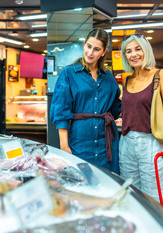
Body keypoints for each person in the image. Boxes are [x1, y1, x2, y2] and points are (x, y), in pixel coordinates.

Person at [119, 33, 163, 211]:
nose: (133, 54)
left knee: (157, 196)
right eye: (128, 51)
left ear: (146, 51)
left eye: (138, 49)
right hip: (127, 142)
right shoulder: (126, 79)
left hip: (152, 142)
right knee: (131, 193)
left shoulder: (160, 75)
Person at [50, 28, 121, 174]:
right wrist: (64, 147)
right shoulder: (69, 73)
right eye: (88, 46)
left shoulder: (108, 77)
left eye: (96, 49)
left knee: (107, 184)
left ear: (103, 52)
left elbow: (115, 108)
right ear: (84, 45)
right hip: (79, 141)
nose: (90, 52)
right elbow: (61, 112)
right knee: (81, 181)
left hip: (106, 142)